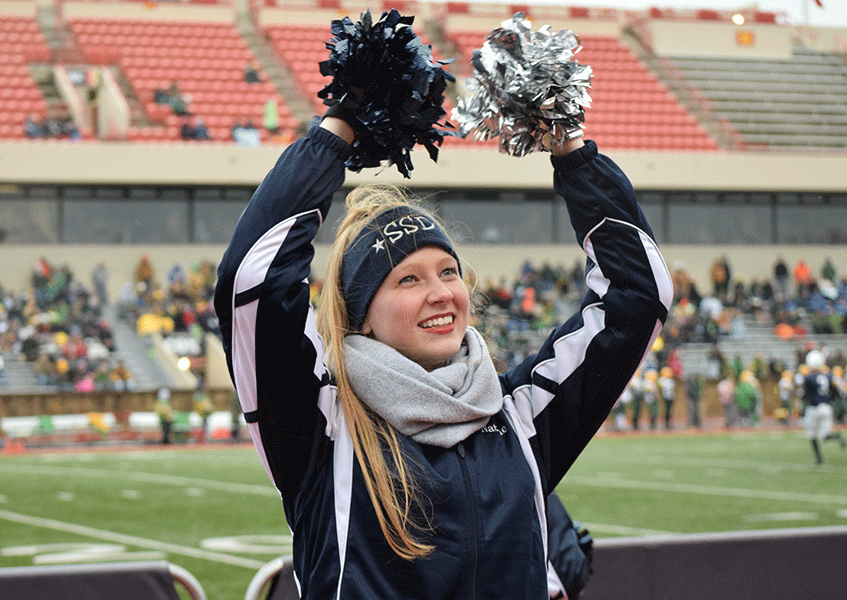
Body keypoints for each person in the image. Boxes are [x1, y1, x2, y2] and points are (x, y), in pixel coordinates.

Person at [212, 71, 671, 600]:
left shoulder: (521, 416)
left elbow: (638, 295)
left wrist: (570, 146)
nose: (441, 293)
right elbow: (252, 280)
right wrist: (336, 128)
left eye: (448, 272)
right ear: (361, 315)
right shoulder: (321, 424)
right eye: (408, 279)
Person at [801, 350, 846, 464]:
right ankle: (837, 437)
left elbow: (804, 395)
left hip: (814, 408)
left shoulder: (808, 378)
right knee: (824, 435)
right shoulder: (828, 376)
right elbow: (835, 393)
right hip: (826, 407)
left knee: (812, 434)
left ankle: (818, 458)